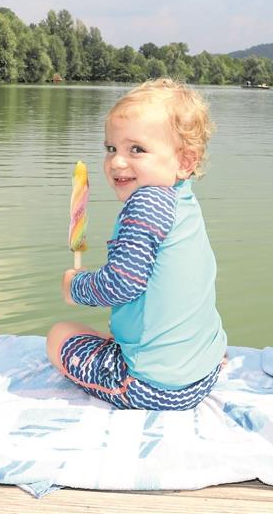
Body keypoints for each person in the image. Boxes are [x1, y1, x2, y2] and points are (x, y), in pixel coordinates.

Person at [47, 79, 227, 410]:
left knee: (60, 333)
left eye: (136, 150)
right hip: (206, 369)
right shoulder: (182, 201)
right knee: (115, 329)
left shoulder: (145, 204)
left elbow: (122, 285)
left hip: (154, 386)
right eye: (111, 148)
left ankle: (131, 373)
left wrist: (77, 286)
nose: (116, 162)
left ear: (185, 161)